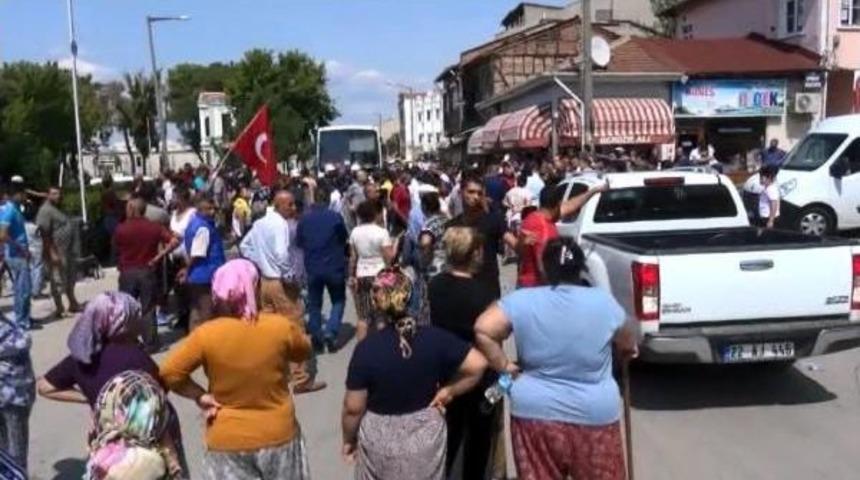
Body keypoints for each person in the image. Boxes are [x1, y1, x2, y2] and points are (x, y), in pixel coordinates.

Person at [474, 238, 638, 480]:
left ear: (544, 268)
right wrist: (627, 349)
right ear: (581, 269)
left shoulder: (522, 300)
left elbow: (483, 328)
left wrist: (505, 367)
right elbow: (627, 341)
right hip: (594, 415)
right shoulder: (603, 301)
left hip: (534, 413)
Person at [160, 259, 312, 480]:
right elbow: (303, 351)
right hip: (278, 434)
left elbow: (170, 373)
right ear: (254, 287)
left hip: (226, 440)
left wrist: (200, 395)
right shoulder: (279, 327)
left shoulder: (206, 334)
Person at [341, 267, 488, 480]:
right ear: (411, 298)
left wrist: (348, 439)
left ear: (377, 303)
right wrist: (449, 391)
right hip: (424, 433)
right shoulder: (435, 339)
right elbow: (478, 364)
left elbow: (353, 408)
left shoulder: (366, 350)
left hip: (380, 438)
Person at [37, 291, 186, 477]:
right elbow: (159, 393)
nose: (139, 321)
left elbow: (44, 387)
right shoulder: (137, 358)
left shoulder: (81, 358)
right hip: (144, 448)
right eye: (135, 316)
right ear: (122, 323)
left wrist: (92, 398)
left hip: (109, 450)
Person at [428, 227, 498, 480]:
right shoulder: (485, 293)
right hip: (482, 375)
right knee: (480, 438)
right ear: (473, 253)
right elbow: (496, 335)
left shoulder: (434, 285)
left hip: (447, 372)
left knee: (451, 433)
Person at [241, 190, 325, 394]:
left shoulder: (260, 223)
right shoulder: (279, 225)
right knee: (295, 330)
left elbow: (245, 246)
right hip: (280, 283)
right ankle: (301, 378)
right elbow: (281, 254)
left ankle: (273, 373)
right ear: (278, 205)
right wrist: (289, 276)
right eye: (290, 205)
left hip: (266, 282)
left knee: (269, 331)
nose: (294, 208)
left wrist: (262, 263)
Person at [113, 198, 179, 348]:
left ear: (131, 209)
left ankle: (129, 341)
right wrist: (158, 257)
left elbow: (115, 251)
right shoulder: (154, 227)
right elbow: (175, 240)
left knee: (126, 308)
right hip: (147, 270)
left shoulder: (121, 228)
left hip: (127, 271)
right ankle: (151, 341)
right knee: (148, 308)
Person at [447, 175, 517, 299]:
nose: (476, 197)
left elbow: (514, 243)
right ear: (460, 192)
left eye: (479, 193)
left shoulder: (494, 220)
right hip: (461, 291)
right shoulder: (452, 225)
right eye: (471, 192)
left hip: (488, 289)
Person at [297, 186, 349, 353]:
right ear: (327, 200)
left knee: (314, 304)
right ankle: (331, 332)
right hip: (334, 266)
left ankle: (317, 336)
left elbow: (299, 242)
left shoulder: (304, 219)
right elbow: (343, 238)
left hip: (312, 267)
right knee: (338, 300)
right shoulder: (335, 217)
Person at [348, 201, 396, 341]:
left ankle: (362, 350)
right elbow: (388, 257)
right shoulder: (382, 232)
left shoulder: (355, 232)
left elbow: (353, 257)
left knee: (363, 316)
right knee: (381, 315)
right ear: (375, 214)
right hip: (380, 274)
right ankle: (381, 348)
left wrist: (351, 276)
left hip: (362, 273)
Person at [181, 194, 226, 330]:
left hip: (198, 275)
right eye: (208, 209)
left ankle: (194, 339)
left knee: (195, 310)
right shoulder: (203, 228)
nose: (212, 212)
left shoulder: (193, 224)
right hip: (205, 274)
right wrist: (186, 270)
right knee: (206, 311)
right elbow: (197, 253)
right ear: (199, 210)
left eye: (213, 209)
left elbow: (185, 249)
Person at [36, 187, 82, 318]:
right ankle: (59, 308)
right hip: (56, 251)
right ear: (48, 195)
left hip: (67, 250)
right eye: (54, 194)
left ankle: (72, 302)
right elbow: (44, 233)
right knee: (57, 280)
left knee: (70, 278)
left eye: (59, 193)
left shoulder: (58, 208)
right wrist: (52, 253)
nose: (58, 196)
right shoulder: (45, 210)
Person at [0, 314, 34, 473]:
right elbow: (22, 342)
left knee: (11, 452)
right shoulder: (9, 329)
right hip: (13, 397)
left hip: (14, 396)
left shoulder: (8, 323)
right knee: (15, 455)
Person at [0, 183, 32, 330]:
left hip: (20, 253)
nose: (25, 197)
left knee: (23, 288)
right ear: (16, 194)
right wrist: (20, 248)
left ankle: (25, 317)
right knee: (23, 289)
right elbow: (2, 235)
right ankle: (21, 321)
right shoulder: (9, 211)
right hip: (16, 254)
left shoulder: (15, 209)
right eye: (23, 194)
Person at [168, 187, 196, 332]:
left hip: (187, 256)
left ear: (183, 199)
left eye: (175, 197)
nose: (173, 200)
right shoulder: (173, 214)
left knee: (189, 289)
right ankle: (182, 316)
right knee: (178, 289)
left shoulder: (192, 214)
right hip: (175, 256)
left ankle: (190, 320)